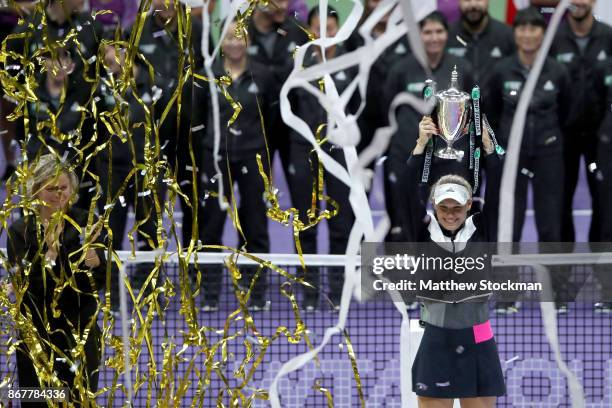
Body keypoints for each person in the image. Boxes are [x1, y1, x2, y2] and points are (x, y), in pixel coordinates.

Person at [407, 116, 505, 408]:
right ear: (434, 206)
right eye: (444, 207)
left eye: (457, 207)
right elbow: (405, 193)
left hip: (478, 337)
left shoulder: (484, 231)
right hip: (436, 338)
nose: (450, 213)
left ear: (469, 206)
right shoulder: (422, 234)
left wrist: (490, 150)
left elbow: (500, 191)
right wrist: (420, 146)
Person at [485, 7, 574, 313]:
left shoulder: (557, 72)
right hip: (512, 158)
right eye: (522, 29)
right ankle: (507, 295)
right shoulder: (501, 71)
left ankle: (556, 293)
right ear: (515, 33)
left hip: (549, 154)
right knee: (508, 224)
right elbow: (491, 112)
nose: (527, 34)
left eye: (534, 29)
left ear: (542, 34)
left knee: (551, 225)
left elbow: (569, 111)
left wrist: (551, 137)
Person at [6, 154, 109, 407]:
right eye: (51, 188)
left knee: (78, 401)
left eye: (63, 188)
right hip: (36, 337)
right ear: (37, 189)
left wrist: (96, 263)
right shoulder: (20, 231)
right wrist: (51, 255)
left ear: (72, 190)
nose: (59, 194)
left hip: (80, 333)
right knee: (36, 402)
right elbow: (28, 286)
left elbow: (99, 282)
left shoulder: (88, 224)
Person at [192, 18, 275, 312]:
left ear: (248, 41)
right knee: (211, 224)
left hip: (254, 159)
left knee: (254, 224)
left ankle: (256, 291)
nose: (235, 43)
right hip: (216, 160)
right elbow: (197, 121)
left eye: (240, 37)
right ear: (221, 42)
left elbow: (272, 124)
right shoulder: (206, 76)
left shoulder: (263, 76)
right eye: (229, 38)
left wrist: (267, 161)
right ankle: (211, 292)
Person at [287, 6, 356, 311]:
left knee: (342, 222)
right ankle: (310, 287)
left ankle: (340, 285)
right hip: (304, 152)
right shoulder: (296, 65)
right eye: (319, 27)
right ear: (310, 30)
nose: (324, 33)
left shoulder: (352, 63)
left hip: (341, 152)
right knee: (306, 220)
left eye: (330, 27)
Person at [384, 11, 473, 242]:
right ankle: (405, 276)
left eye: (439, 31)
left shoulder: (461, 69)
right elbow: (387, 108)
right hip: (408, 157)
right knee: (406, 221)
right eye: (427, 32)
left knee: (450, 219)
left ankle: (450, 274)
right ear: (418, 36)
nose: (433, 37)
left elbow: (475, 109)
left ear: (447, 34)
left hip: (448, 161)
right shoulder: (401, 69)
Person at [130, 0, 204, 247]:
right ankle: (149, 269)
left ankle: (195, 268)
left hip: (190, 134)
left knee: (192, 199)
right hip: (152, 134)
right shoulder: (137, 31)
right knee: (151, 201)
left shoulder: (198, 29)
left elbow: (209, 75)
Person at [550, 0, 612, 244]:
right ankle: (562, 268)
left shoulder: (608, 37)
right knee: (561, 199)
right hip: (564, 137)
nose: (579, 2)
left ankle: (602, 266)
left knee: (603, 198)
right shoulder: (553, 39)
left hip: (601, 137)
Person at [248, 0, 309, 177]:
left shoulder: (298, 31)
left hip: (291, 127)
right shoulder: (238, 33)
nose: (283, 6)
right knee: (256, 194)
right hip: (253, 128)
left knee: (302, 193)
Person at [447, 0, 515, 90]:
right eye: (467, 0)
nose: (473, 5)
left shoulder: (507, 35)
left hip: (496, 102)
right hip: (456, 101)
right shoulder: (447, 36)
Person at [590, 56, 612, 313]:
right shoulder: (604, 68)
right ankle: (608, 291)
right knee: (609, 224)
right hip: (608, 152)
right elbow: (593, 108)